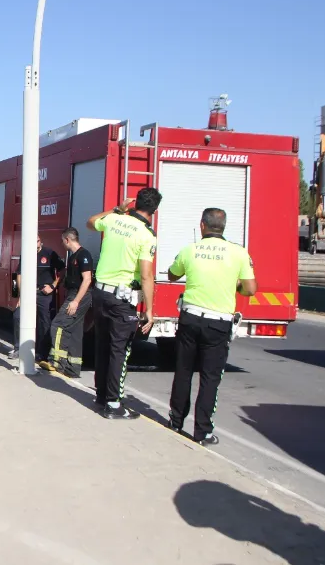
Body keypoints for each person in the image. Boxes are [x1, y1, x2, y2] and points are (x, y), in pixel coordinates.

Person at [166, 208, 256, 446]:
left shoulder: (190, 250)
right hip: (219, 323)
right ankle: (202, 431)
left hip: (191, 318)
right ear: (223, 227)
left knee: (183, 371)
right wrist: (234, 285)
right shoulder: (238, 253)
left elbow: (173, 275)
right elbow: (250, 288)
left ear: (202, 226)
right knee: (210, 377)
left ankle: (175, 421)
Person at [86, 188, 161, 419]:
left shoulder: (115, 219)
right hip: (121, 299)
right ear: (154, 211)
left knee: (103, 345)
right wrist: (149, 309)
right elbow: (147, 275)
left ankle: (101, 396)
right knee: (120, 350)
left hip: (100, 293)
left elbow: (90, 222)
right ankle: (114, 404)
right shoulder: (146, 235)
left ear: (134, 203)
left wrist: (117, 209)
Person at [42, 227, 93, 378]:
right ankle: (72, 367)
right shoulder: (73, 257)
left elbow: (87, 279)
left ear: (67, 240)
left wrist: (76, 301)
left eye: (62, 241)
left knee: (58, 325)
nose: (62, 244)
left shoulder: (83, 255)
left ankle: (56, 361)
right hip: (74, 294)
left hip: (79, 296)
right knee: (75, 330)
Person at [10, 236, 64, 361]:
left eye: (37, 241)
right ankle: (18, 349)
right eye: (33, 241)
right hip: (28, 293)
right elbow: (20, 274)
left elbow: (62, 270)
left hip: (44, 294)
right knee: (17, 316)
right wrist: (21, 295)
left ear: (41, 242)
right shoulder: (26, 254)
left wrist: (53, 286)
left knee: (44, 322)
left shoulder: (49, 253)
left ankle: (42, 353)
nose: (35, 244)